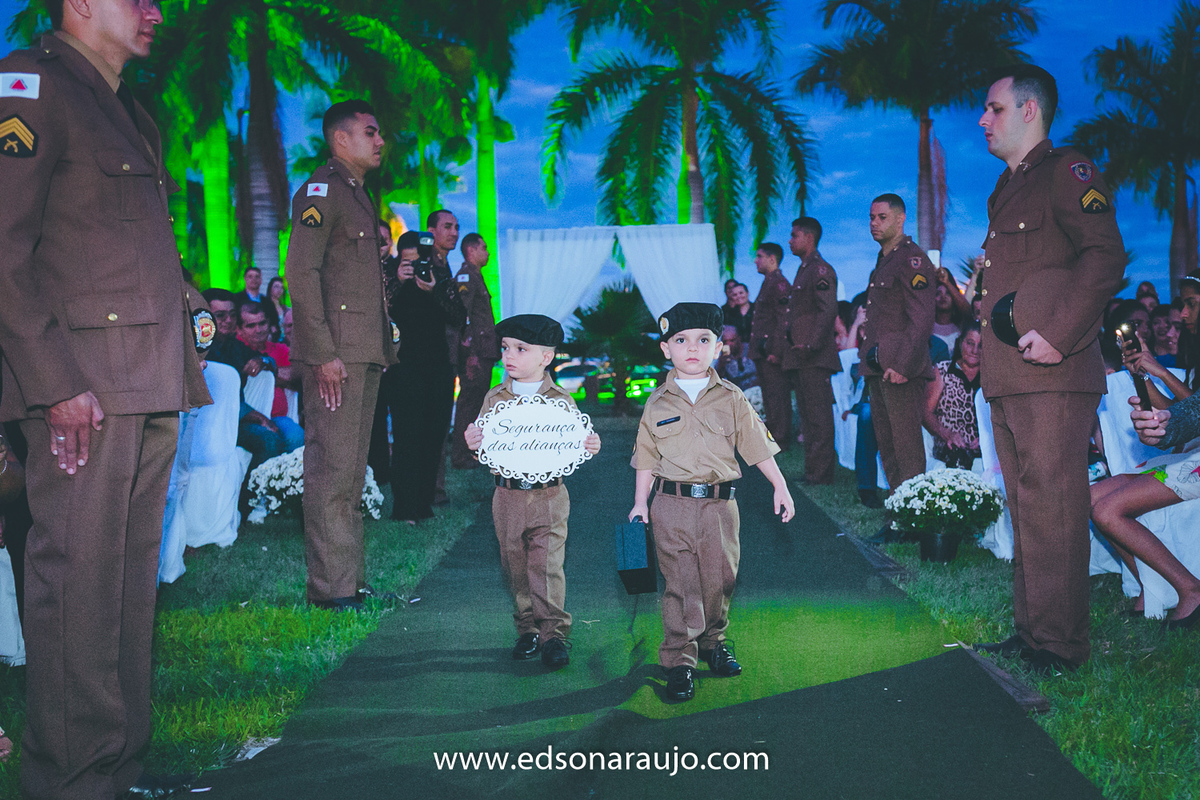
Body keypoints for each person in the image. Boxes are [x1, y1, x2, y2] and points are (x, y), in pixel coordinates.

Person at [0, 1, 213, 795]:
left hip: (145, 377)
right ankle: (70, 778)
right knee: (79, 585)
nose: (155, 12)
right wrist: (54, 382)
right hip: (82, 385)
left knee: (124, 586)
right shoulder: (30, 86)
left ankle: (116, 767)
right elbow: (2, 248)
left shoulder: (125, 110)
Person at [974, 65, 1126, 674]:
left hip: (1053, 375)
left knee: (1055, 506)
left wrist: (1060, 336)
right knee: (1027, 506)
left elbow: (1105, 256)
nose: (983, 120)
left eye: (994, 109)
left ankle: (1061, 645)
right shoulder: (1007, 187)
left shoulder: (1068, 171)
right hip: (1012, 374)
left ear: (1030, 110)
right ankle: (1034, 633)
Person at [629, 303, 795, 702]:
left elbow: (756, 446)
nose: (692, 347)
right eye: (681, 340)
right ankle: (679, 659)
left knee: (721, 578)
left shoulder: (732, 398)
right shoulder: (657, 403)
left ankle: (713, 641)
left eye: (703, 340)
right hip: (671, 504)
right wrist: (639, 503)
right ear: (666, 349)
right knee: (680, 582)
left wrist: (780, 485)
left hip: (720, 508)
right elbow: (646, 457)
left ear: (718, 348)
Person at [286, 99, 397, 612]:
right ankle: (330, 590)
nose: (380, 141)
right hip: (336, 355)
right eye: (370, 132)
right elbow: (300, 272)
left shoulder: (357, 195)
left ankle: (347, 582)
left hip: (363, 351)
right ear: (340, 139)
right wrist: (322, 353)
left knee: (351, 474)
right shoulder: (322, 190)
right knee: (331, 470)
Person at [464, 315, 601, 667]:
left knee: (547, 564)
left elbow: (573, 443)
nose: (509, 355)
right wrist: (474, 442)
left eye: (521, 349)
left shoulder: (561, 401)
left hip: (549, 497)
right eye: (505, 347)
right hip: (507, 496)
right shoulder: (495, 398)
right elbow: (486, 449)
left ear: (546, 357)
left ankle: (554, 634)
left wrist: (589, 445)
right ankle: (528, 629)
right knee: (515, 563)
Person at [1090, 390, 1200, 631]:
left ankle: (1190, 588)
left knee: (1106, 512)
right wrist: (1164, 427)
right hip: (1190, 451)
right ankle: (1153, 588)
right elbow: (1192, 407)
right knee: (1091, 498)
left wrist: (1158, 372)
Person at [858, 194, 937, 512]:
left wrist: (903, 364)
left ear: (901, 219)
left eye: (882, 217)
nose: (874, 223)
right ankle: (898, 513)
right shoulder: (885, 259)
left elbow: (921, 318)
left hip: (900, 368)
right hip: (879, 366)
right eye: (871, 217)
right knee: (888, 444)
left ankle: (914, 518)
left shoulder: (912, 259)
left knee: (906, 448)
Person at [386, 231, 466, 522]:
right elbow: (378, 312)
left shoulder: (439, 276)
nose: (416, 267)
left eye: (420, 261)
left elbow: (459, 316)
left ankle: (423, 503)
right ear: (400, 258)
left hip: (438, 366)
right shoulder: (389, 277)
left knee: (433, 435)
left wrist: (434, 290)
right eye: (409, 262)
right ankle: (404, 507)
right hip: (403, 367)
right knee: (407, 436)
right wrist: (399, 280)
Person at [783, 216, 841, 485]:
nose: (790, 241)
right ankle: (813, 470)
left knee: (818, 417)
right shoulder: (804, 269)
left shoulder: (819, 269)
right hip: (802, 355)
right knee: (808, 417)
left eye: (794, 235)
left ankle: (821, 473)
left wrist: (811, 344)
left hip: (814, 356)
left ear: (809, 237)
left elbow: (827, 309)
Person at [235, 302, 304, 471]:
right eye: (251, 325)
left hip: (277, 417)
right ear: (239, 329)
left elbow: (298, 378)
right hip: (245, 419)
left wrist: (268, 374)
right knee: (269, 439)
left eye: (262, 323)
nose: (258, 330)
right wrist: (278, 375)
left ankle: (286, 484)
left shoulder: (280, 349)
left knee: (296, 436)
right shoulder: (235, 349)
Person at [450, 233, 499, 470]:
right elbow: (464, 315)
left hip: (482, 351)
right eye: (484, 248)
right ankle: (461, 454)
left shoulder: (476, 275)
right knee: (469, 402)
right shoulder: (466, 276)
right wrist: (470, 353)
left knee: (476, 402)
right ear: (471, 250)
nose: (487, 253)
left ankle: (469, 452)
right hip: (475, 353)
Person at [427, 209, 461, 506]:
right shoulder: (428, 265)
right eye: (447, 227)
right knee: (431, 424)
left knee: (439, 424)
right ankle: (431, 488)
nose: (454, 232)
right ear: (432, 231)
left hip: (447, 354)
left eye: (456, 227)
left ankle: (436, 487)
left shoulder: (445, 264)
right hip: (431, 355)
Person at [748, 242, 793, 447]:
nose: (756, 261)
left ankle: (781, 438)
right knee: (770, 395)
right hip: (763, 350)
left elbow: (783, 318)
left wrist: (777, 350)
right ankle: (775, 435)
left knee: (777, 396)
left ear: (772, 259)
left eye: (760, 256)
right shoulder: (769, 282)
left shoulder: (779, 284)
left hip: (771, 351)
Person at [923, 322, 983, 469]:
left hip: (982, 453)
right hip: (947, 448)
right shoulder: (943, 370)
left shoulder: (990, 378)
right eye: (970, 343)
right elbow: (926, 413)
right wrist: (947, 433)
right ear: (961, 342)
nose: (974, 350)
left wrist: (986, 439)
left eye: (980, 345)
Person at [931, 268, 972, 353]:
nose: (943, 297)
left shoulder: (961, 326)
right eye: (938, 293)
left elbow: (968, 312)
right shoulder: (927, 328)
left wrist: (947, 282)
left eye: (948, 293)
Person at [716, 325, 758, 391]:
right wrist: (722, 364)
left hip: (754, 389)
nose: (729, 344)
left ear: (739, 338)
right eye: (725, 341)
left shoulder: (750, 350)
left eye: (732, 340)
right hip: (736, 392)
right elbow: (718, 380)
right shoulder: (722, 356)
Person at [1149, 303, 1182, 367]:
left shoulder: (1184, 355)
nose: (1161, 326)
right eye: (1156, 322)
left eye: (1167, 322)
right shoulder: (1147, 353)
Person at [264, 276, 287, 342]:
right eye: (276, 287)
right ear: (270, 289)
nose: (279, 290)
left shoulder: (284, 308)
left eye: (281, 287)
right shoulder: (265, 306)